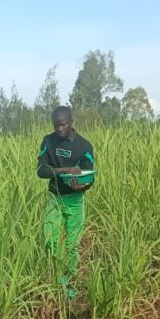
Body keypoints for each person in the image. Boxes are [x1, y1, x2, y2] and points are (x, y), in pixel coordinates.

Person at [37, 106, 95, 297]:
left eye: (63, 125)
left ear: (71, 122)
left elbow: (90, 176)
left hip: (75, 200)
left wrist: (82, 185)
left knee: (72, 244)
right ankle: (54, 278)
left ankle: (68, 282)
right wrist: (63, 170)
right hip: (55, 197)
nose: (59, 129)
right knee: (50, 239)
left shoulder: (84, 147)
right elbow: (41, 171)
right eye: (56, 125)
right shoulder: (48, 141)